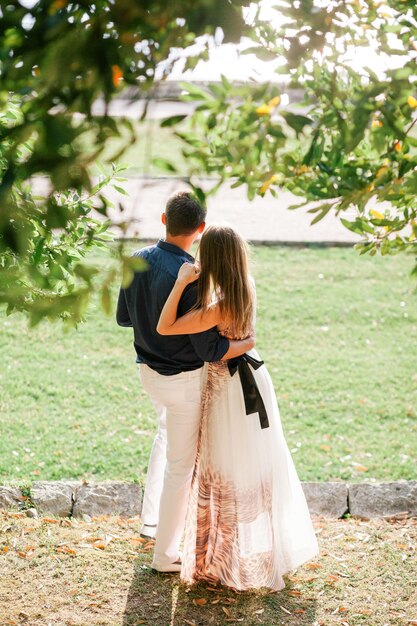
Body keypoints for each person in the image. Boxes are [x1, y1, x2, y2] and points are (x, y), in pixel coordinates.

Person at [157, 224, 319, 591]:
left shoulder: (216, 307)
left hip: (228, 389)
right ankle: (253, 550)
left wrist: (182, 282)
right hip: (254, 381)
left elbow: (166, 326)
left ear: (210, 259)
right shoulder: (245, 288)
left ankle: (222, 560)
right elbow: (245, 340)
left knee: (223, 467)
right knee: (254, 463)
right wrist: (244, 344)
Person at [116, 193, 254, 573]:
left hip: (148, 374)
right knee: (181, 466)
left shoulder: (135, 260)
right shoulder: (194, 276)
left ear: (163, 219)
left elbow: (123, 318)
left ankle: (151, 523)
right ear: (200, 229)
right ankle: (164, 554)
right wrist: (245, 342)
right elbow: (208, 346)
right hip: (183, 382)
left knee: (165, 440)